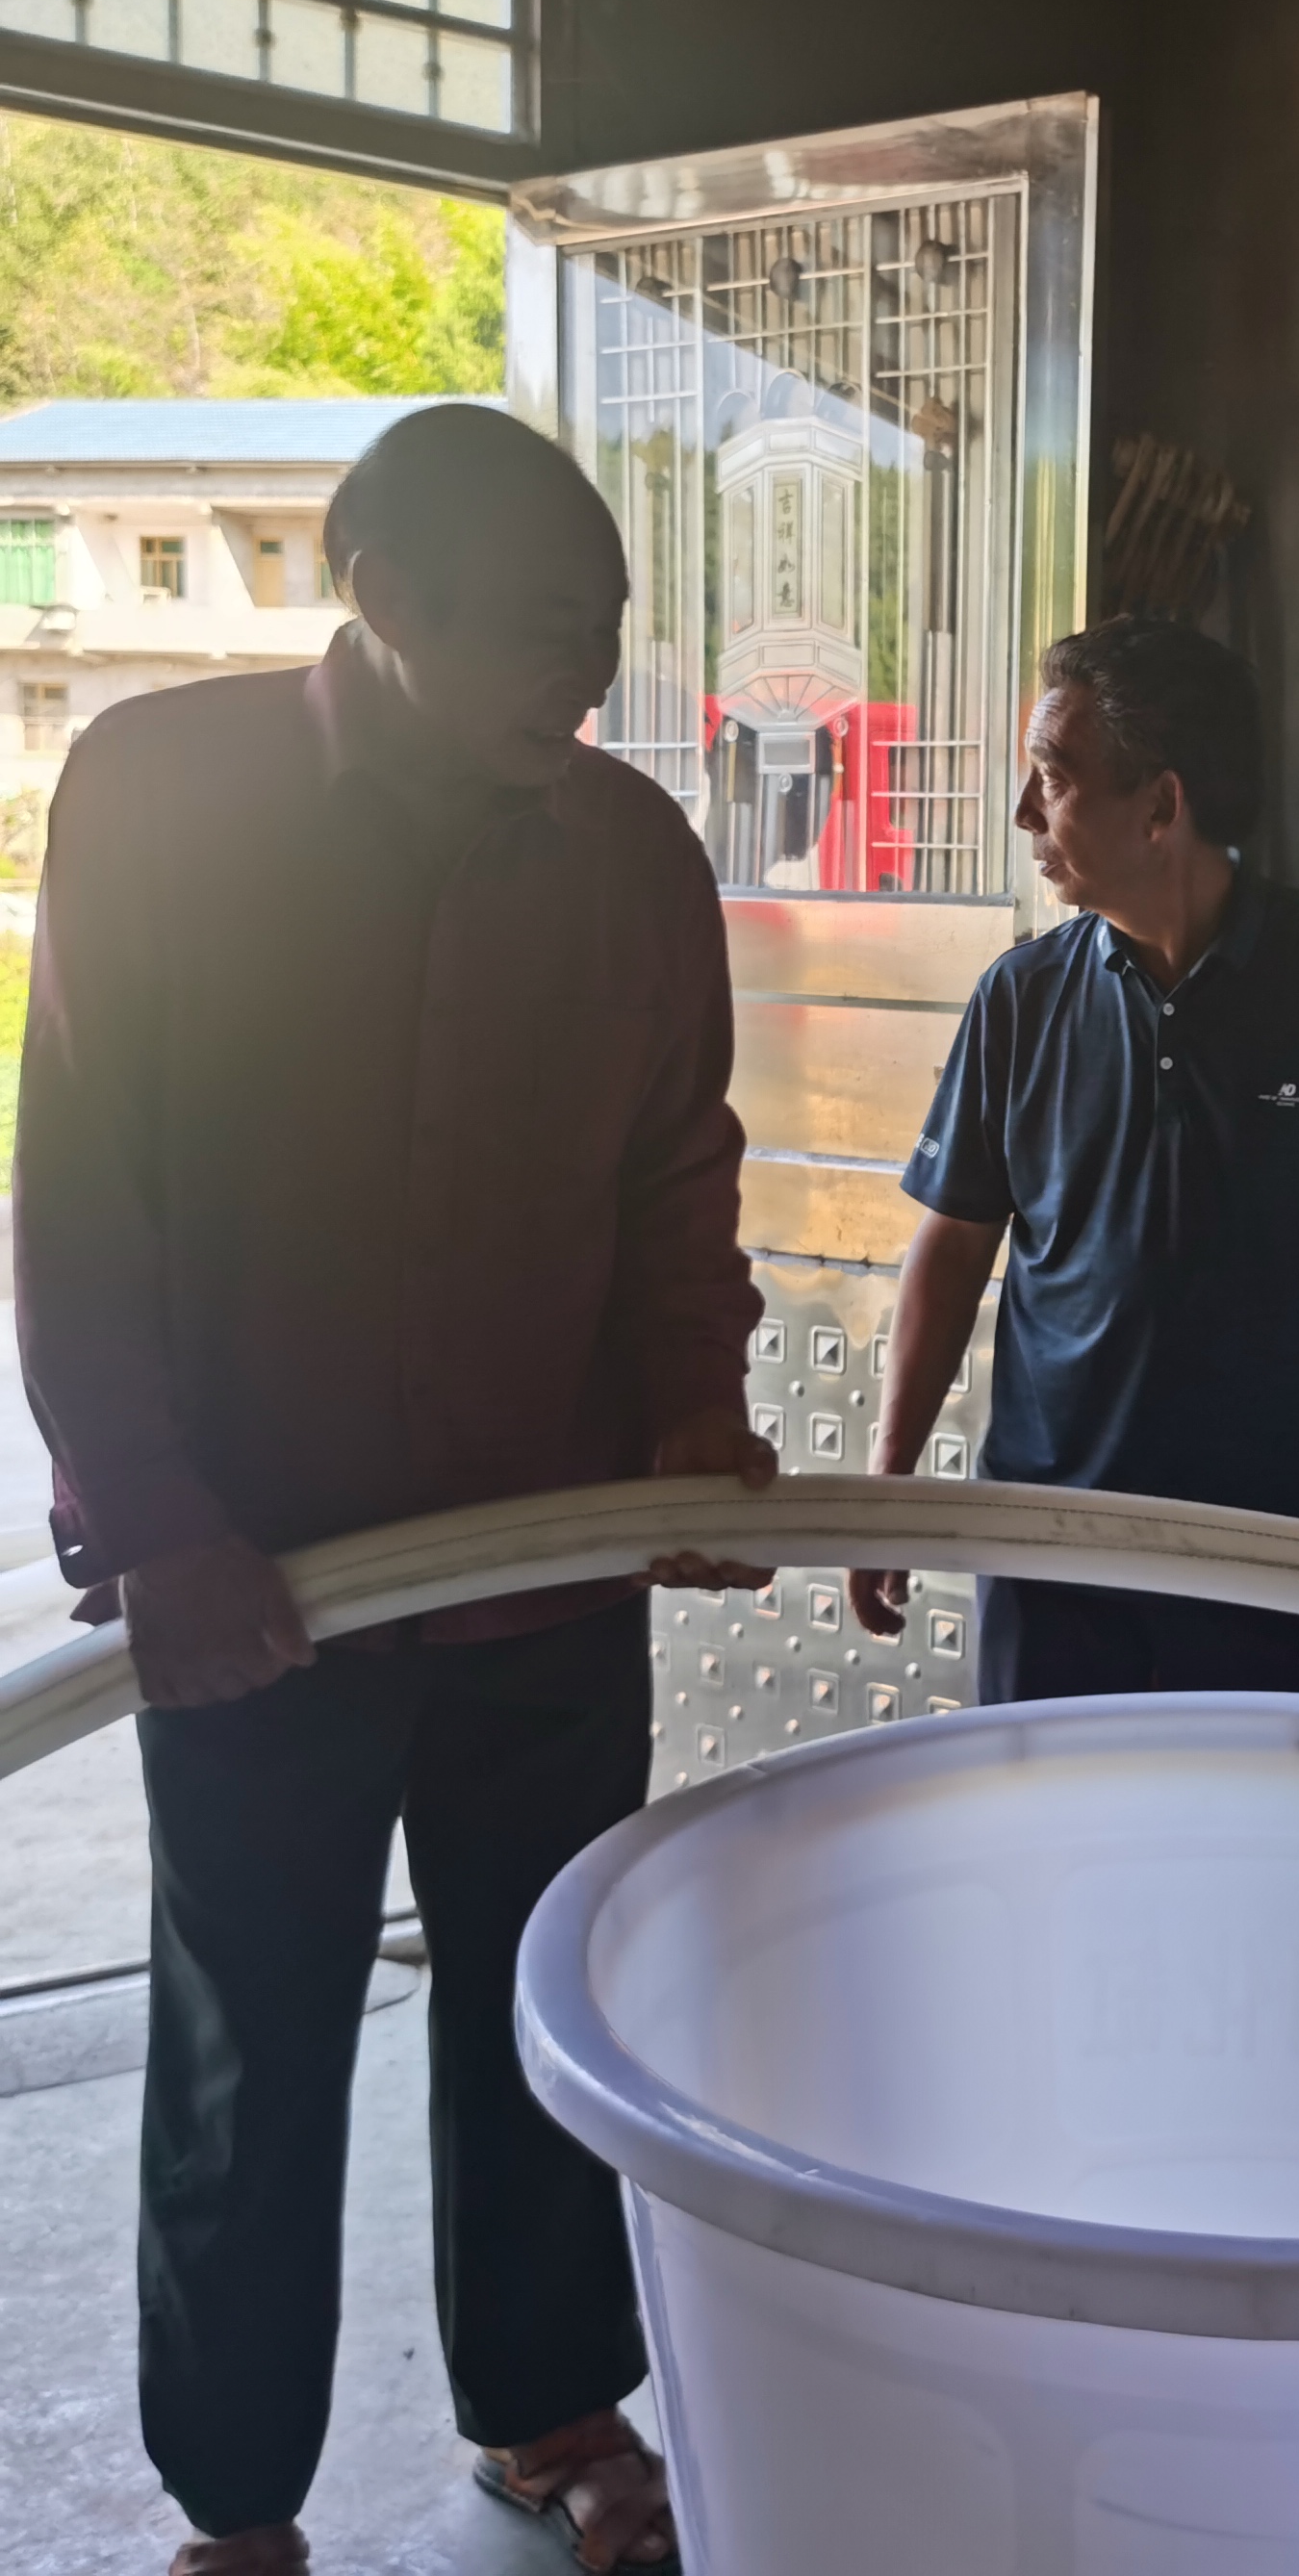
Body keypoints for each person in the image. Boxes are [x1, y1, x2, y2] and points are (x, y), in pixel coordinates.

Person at [13, 403, 775, 2576]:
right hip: (261, 1587)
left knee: (549, 2000)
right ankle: (237, 2501)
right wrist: (153, 1519)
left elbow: (675, 1174)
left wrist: (692, 1422)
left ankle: (547, 2401)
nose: (588, 669)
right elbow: (80, 1186)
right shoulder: (165, 794)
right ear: (383, 594)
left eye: (607, 623)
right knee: (251, 2038)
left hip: (549, 1572)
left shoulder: (631, 852)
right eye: (544, 621)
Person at [847, 617, 1299, 1695]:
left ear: (1161, 806)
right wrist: (889, 1477)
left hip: (1275, 1543)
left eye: (1053, 779)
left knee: (1242, 1803)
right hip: (1051, 1538)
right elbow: (952, 1247)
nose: (1024, 812)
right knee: (1045, 1799)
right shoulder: (1021, 998)